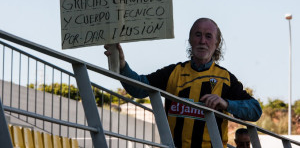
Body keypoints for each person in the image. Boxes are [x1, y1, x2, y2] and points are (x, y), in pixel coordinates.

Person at [104, 17, 262, 148]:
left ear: (217, 43)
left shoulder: (225, 78)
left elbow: (255, 110)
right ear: (190, 39)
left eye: (208, 36)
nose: (202, 40)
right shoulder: (174, 72)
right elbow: (139, 88)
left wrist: (226, 104)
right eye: (197, 34)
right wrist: (123, 66)